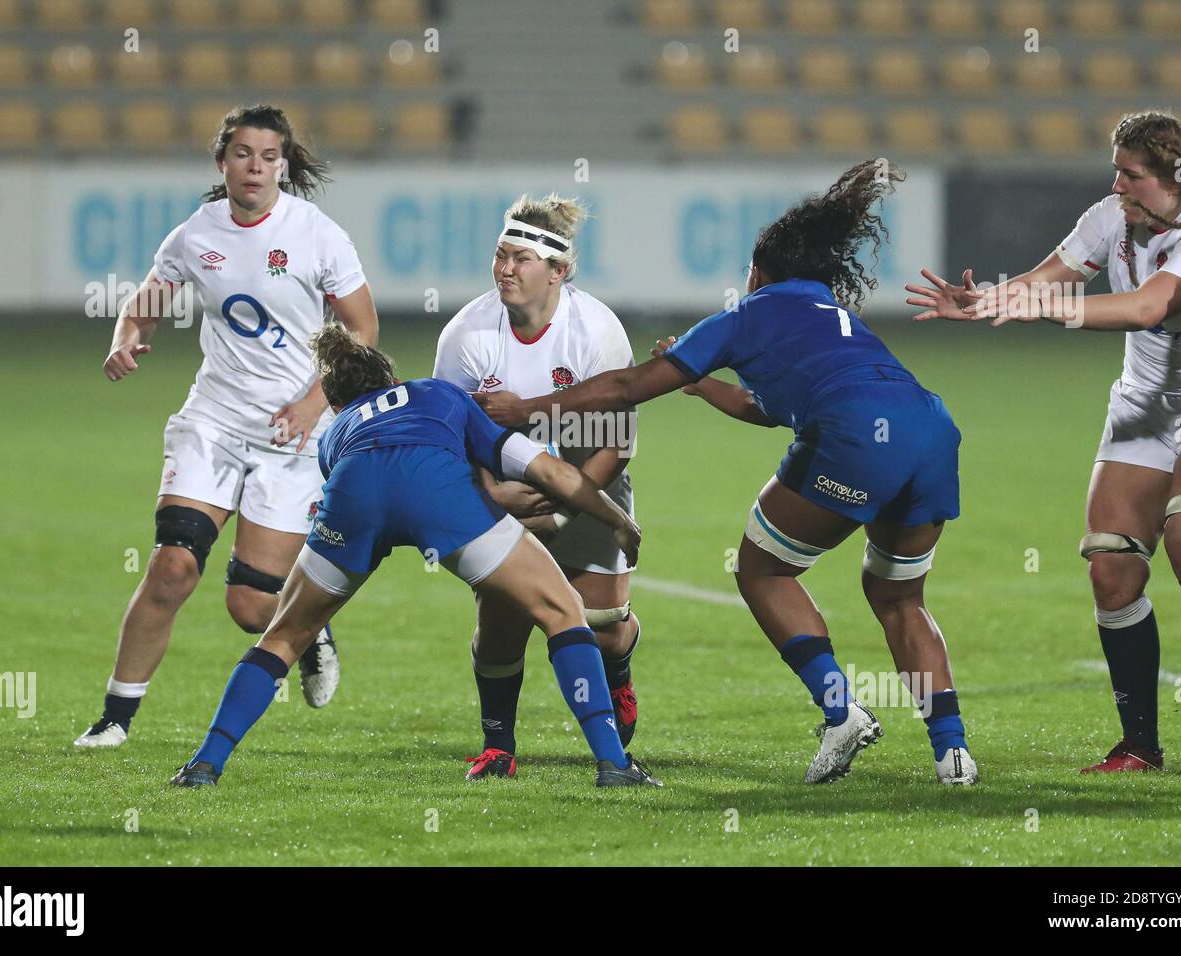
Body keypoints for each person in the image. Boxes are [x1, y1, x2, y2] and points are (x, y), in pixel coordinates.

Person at [478, 161, 977, 785]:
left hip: (854, 438)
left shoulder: (748, 313)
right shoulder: (832, 315)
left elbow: (631, 387)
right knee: (899, 597)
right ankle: (952, 752)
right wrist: (704, 385)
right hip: (931, 432)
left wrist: (529, 409)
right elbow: (761, 408)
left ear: (760, 272)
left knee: (762, 569)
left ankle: (839, 710)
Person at [169, 325, 661, 789]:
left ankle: (204, 765)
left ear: (336, 404)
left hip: (355, 494)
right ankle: (614, 765)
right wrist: (615, 516)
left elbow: (361, 480)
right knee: (561, 610)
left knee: (283, 635)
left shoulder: (336, 433)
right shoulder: (438, 393)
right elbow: (547, 472)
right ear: (393, 379)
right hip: (437, 496)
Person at [908, 110, 1181, 774]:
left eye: (1131, 173)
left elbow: (1146, 307)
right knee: (1111, 569)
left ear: (1176, 176)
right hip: (1141, 408)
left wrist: (1039, 309)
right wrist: (994, 300)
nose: (1118, 185)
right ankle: (1139, 743)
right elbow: (1048, 279)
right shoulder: (1112, 216)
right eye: (1115, 170)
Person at [75, 104, 379, 749]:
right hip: (212, 420)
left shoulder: (319, 234)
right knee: (172, 567)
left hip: (292, 434)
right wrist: (126, 338)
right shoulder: (197, 233)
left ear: (285, 166)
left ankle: (313, 629)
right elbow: (147, 303)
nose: (256, 166)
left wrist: (312, 401)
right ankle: (114, 719)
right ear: (222, 162)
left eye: (270, 156)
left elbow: (363, 330)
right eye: (243, 153)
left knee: (249, 608)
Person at [433, 194, 644, 781]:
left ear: (558, 271)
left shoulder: (596, 331)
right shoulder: (468, 335)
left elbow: (616, 442)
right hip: (502, 498)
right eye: (501, 255)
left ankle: (619, 674)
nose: (505, 268)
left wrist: (565, 508)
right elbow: (449, 437)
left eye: (521, 258)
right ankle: (498, 746)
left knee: (600, 628)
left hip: (588, 488)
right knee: (501, 625)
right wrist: (492, 499)